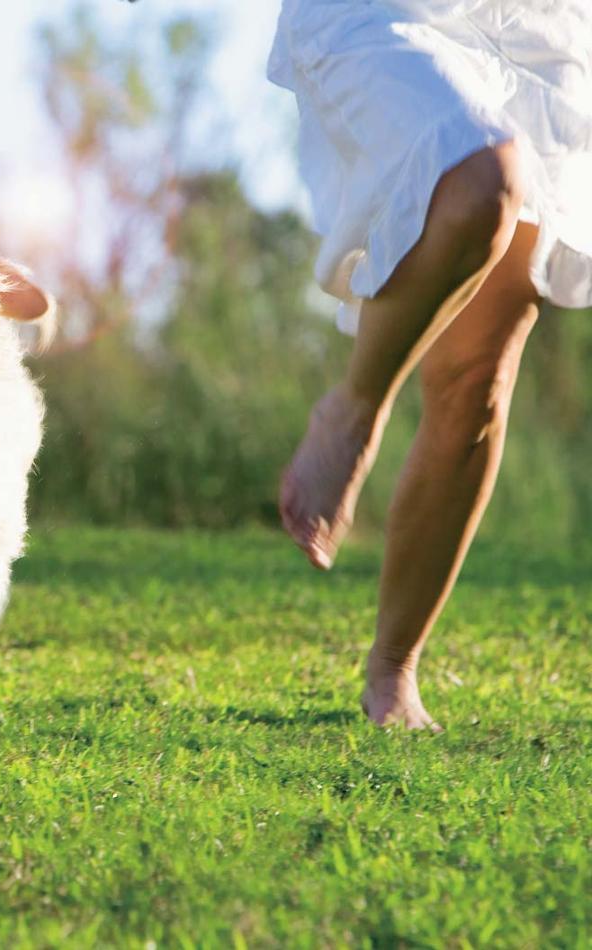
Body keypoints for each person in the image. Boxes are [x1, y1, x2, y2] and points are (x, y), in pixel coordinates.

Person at [268, 1, 592, 728]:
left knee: (479, 372)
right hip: (391, 11)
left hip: (547, 28)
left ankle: (393, 669)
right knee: (482, 177)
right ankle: (355, 409)